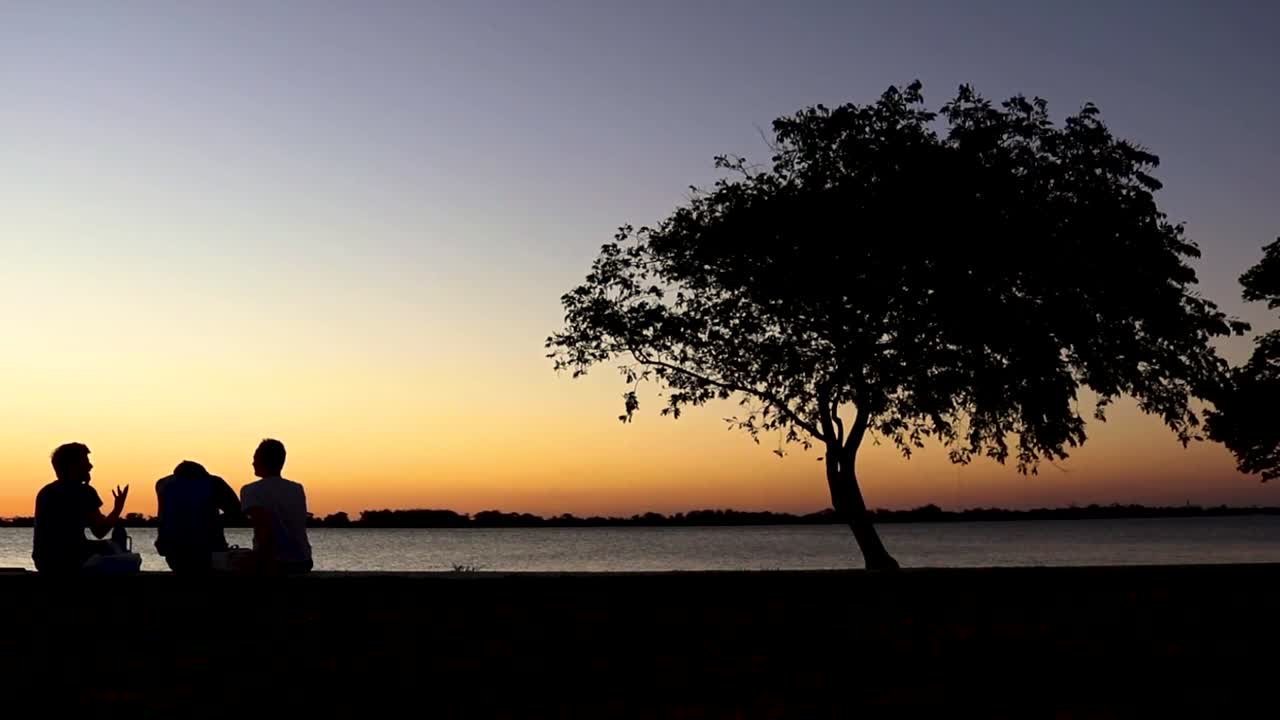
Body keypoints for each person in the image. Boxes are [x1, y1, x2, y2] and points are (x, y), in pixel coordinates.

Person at [32, 443, 131, 574]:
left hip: (45, 562)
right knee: (115, 549)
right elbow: (100, 531)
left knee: (107, 547)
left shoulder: (45, 492)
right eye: (86, 462)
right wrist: (117, 508)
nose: (90, 466)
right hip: (72, 560)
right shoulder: (84, 492)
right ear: (73, 466)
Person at [155, 460, 242, 573]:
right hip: (208, 547)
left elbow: (164, 516)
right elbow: (236, 512)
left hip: (173, 548)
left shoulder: (163, 484)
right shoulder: (214, 482)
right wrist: (213, 521)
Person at [240, 439, 312, 574]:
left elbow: (263, 530)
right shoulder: (297, 488)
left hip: (277, 563)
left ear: (263, 461)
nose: (253, 463)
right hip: (303, 560)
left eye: (255, 459)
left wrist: (260, 562)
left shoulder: (250, 490)